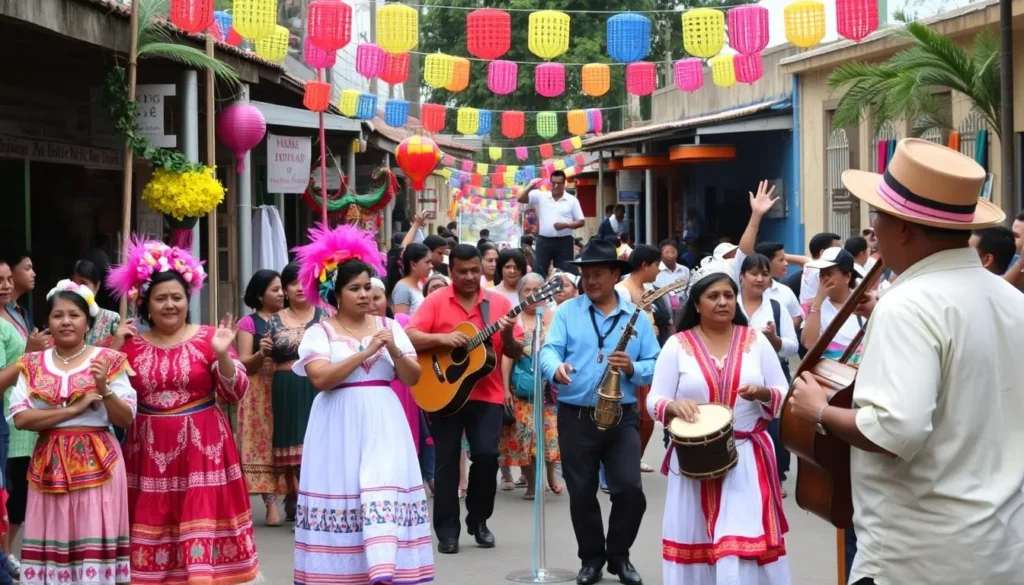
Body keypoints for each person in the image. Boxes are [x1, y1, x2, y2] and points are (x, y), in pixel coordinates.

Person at [790, 138, 1024, 585]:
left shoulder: (907, 303)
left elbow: (895, 429)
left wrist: (818, 410)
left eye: (878, 218)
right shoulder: (1011, 299)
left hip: (917, 559)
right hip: (1003, 549)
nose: (873, 231)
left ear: (904, 229)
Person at [106, 239, 258, 584]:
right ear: (146, 304)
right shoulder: (129, 344)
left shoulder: (210, 338)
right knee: (152, 520)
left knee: (199, 515)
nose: (170, 304)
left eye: (177, 297)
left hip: (203, 449)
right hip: (146, 453)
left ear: (188, 300)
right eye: (160, 298)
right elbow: (105, 392)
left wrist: (223, 354)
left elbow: (235, 392)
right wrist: (114, 346)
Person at [290, 224, 434, 585]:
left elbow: (412, 377)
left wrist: (393, 348)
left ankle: (386, 569)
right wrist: (365, 352)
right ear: (335, 294)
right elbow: (321, 379)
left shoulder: (389, 326)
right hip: (337, 422)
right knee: (344, 493)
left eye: (368, 286)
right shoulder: (319, 332)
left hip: (384, 420)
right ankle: (343, 573)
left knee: (383, 487)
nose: (364, 294)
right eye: (354, 288)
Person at [647, 258, 791, 585]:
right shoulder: (677, 345)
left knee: (737, 544)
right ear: (697, 305)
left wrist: (763, 393)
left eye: (728, 295)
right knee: (695, 539)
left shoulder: (755, 341)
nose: (723, 302)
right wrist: (673, 406)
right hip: (692, 461)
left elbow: (783, 390)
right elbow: (654, 400)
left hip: (746, 459)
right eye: (713, 296)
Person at [539, 239, 659, 585]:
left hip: (622, 415)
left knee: (630, 490)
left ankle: (619, 556)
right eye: (586, 275)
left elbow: (656, 361)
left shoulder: (636, 315)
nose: (590, 281)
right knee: (581, 492)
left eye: (598, 274)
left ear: (614, 275)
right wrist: (556, 368)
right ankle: (591, 559)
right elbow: (549, 350)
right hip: (576, 415)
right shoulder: (567, 312)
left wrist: (633, 368)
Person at [9, 280, 136, 585]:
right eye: (58, 315)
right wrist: (73, 410)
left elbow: (126, 418)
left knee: (92, 536)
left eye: (74, 315)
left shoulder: (108, 361)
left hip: (100, 465)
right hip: (49, 467)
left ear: (87, 322)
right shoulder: (32, 363)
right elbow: (21, 418)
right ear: (48, 321)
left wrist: (104, 389)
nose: (65, 321)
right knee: (52, 535)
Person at [407, 244, 523, 555]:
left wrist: (507, 336)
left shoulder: (499, 304)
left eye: (475, 270)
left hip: (488, 393)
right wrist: (443, 339)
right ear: (450, 271)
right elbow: (410, 335)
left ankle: (478, 519)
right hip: (443, 392)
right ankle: (447, 531)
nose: (470, 276)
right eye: (463, 271)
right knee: (446, 462)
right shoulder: (436, 301)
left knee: (486, 456)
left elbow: (515, 350)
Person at [267, 263, 330, 521]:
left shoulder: (326, 316)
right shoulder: (273, 320)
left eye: (304, 282)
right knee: (292, 448)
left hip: (317, 383)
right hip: (286, 385)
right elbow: (265, 357)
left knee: (316, 445)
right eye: (293, 283)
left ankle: (313, 501)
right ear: (285, 289)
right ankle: (298, 499)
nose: (300, 288)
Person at [499, 273, 562, 500]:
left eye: (538, 289)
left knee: (549, 436)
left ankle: (551, 477)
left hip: (548, 392)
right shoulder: (514, 320)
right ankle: (533, 483)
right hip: (522, 392)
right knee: (525, 438)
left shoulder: (553, 317)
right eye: (528, 290)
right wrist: (504, 389)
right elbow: (507, 356)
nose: (534, 294)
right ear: (520, 295)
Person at [3, 252, 46, 579]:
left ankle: (5, 555)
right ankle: (5, 556)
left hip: (21, 418)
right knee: (8, 492)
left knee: (16, 494)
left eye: (7, 279)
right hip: (7, 418)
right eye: (0, 280)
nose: (6, 286)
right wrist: (29, 355)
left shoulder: (16, 312)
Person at [235, 269, 286, 526]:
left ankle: (293, 495)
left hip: (286, 385)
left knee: (286, 440)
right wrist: (260, 354)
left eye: (282, 288)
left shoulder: (291, 317)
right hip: (258, 390)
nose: (282, 294)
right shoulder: (249, 323)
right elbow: (243, 363)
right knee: (262, 444)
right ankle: (270, 503)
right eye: (275, 290)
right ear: (259, 295)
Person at [614, 244, 663, 473]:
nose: (659, 270)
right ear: (645, 265)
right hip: (628, 362)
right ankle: (623, 460)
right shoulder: (623, 290)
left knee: (647, 416)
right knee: (636, 414)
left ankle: (634, 456)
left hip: (646, 361)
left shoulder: (648, 289)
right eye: (656, 265)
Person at [800, 247, 865, 363]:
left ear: (847, 277)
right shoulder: (812, 305)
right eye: (821, 274)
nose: (823, 279)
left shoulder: (864, 304)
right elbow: (808, 343)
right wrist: (818, 302)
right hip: (828, 372)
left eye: (829, 274)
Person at [517, 171, 585, 278]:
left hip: (564, 241)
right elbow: (520, 198)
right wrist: (531, 185)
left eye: (559, 183)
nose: (556, 186)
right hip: (544, 241)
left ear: (564, 183)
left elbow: (581, 221)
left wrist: (565, 225)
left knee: (565, 273)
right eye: (553, 183)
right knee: (539, 272)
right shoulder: (541, 196)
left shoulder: (572, 200)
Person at [71, 259, 121, 347]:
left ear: (97, 286)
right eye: (74, 284)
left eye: (83, 283)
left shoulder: (113, 319)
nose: (78, 289)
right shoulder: (64, 319)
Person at [394, 243, 432, 315]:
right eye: (427, 262)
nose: (431, 266)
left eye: (431, 262)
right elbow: (401, 319)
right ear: (413, 265)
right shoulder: (402, 289)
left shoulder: (421, 283)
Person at [654, 239, 689, 312]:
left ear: (677, 252)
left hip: (684, 312)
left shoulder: (685, 270)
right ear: (661, 253)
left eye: (673, 252)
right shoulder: (655, 271)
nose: (670, 255)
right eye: (667, 252)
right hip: (663, 313)